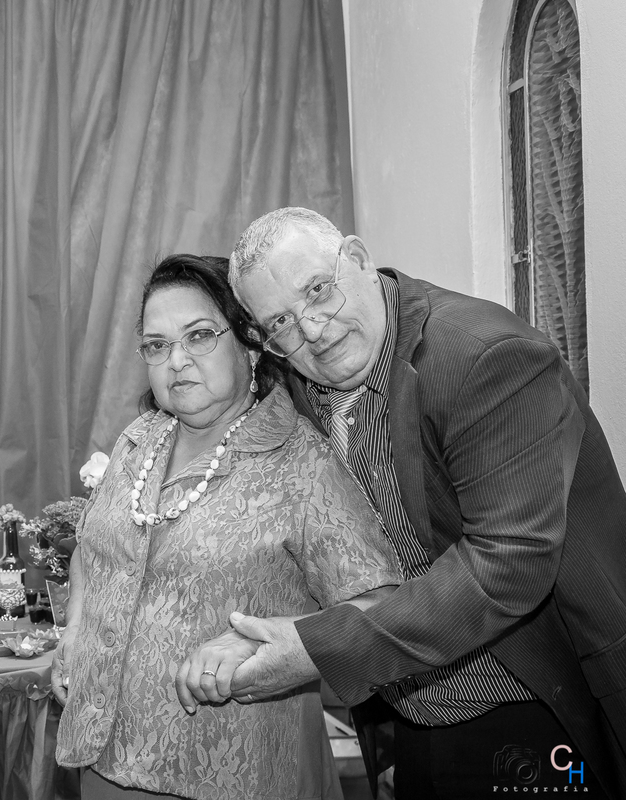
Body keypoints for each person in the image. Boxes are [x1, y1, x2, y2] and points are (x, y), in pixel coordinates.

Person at [219, 206, 626, 798]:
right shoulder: (305, 378)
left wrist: (318, 649)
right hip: (413, 709)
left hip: (537, 703)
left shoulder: (485, 356)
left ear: (359, 259)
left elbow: (506, 565)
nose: (313, 329)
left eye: (319, 290)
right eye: (280, 321)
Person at [50, 253, 401, 800]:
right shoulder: (137, 442)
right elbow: (92, 552)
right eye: (157, 345)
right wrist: (75, 628)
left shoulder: (301, 464)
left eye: (199, 336)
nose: (176, 361)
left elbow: (380, 608)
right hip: (102, 758)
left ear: (250, 344)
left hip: (231, 769)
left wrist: (273, 639)